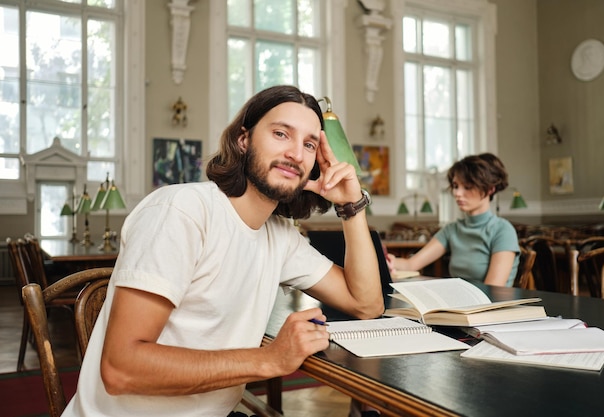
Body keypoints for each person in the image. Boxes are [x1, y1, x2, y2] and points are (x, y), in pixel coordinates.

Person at [62, 85, 385, 417]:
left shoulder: (280, 237)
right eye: (280, 134)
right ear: (243, 140)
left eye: (309, 144)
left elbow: (366, 304)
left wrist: (351, 205)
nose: (295, 153)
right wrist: (269, 359)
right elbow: (121, 369)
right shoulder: (181, 211)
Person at [388, 153, 519, 287]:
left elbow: (493, 288)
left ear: (490, 189)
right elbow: (412, 264)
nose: (457, 193)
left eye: (467, 187)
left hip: (491, 305)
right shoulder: (452, 230)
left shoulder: (503, 231)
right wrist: (391, 261)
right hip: (460, 303)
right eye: (456, 186)